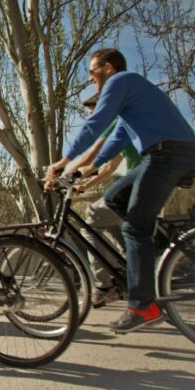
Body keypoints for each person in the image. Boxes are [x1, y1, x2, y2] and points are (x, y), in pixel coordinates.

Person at [46, 48, 195, 333]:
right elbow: (113, 142)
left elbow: (96, 124)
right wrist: (80, 170)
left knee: (134, 227)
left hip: (169, 154)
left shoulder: (121, 81)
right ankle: (156, 251)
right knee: (115, 196)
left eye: (92, 73)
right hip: (166, 154)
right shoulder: (132, 106)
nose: (91, 79)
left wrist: (64, 161)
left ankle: (143, 307)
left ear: (108, 68)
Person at [71, 93, 142, 308]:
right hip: (148, 179)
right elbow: (110, 166)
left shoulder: (114, 121)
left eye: (93, 111)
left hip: (138, 180)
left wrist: (66, 173)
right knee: (112, 221)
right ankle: (128, 270)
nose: (91, 115)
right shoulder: (128, 120)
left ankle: (104, 284)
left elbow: (95, 154)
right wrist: (84, 186)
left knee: (92, 218)